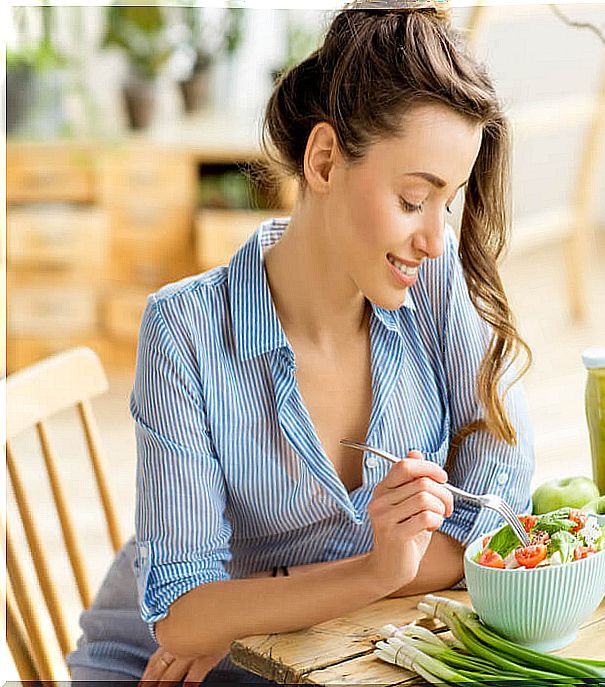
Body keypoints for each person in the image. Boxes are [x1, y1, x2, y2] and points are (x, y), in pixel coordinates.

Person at [67, 3, 534, 682]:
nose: (434, 237)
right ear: (323, 160)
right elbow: (181, 615)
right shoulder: (186, 331)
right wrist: (375, 568)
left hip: (320, 655)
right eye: (412, 199)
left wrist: (261, 600)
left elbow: (504, 496)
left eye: (449, 202)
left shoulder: (430, 278)